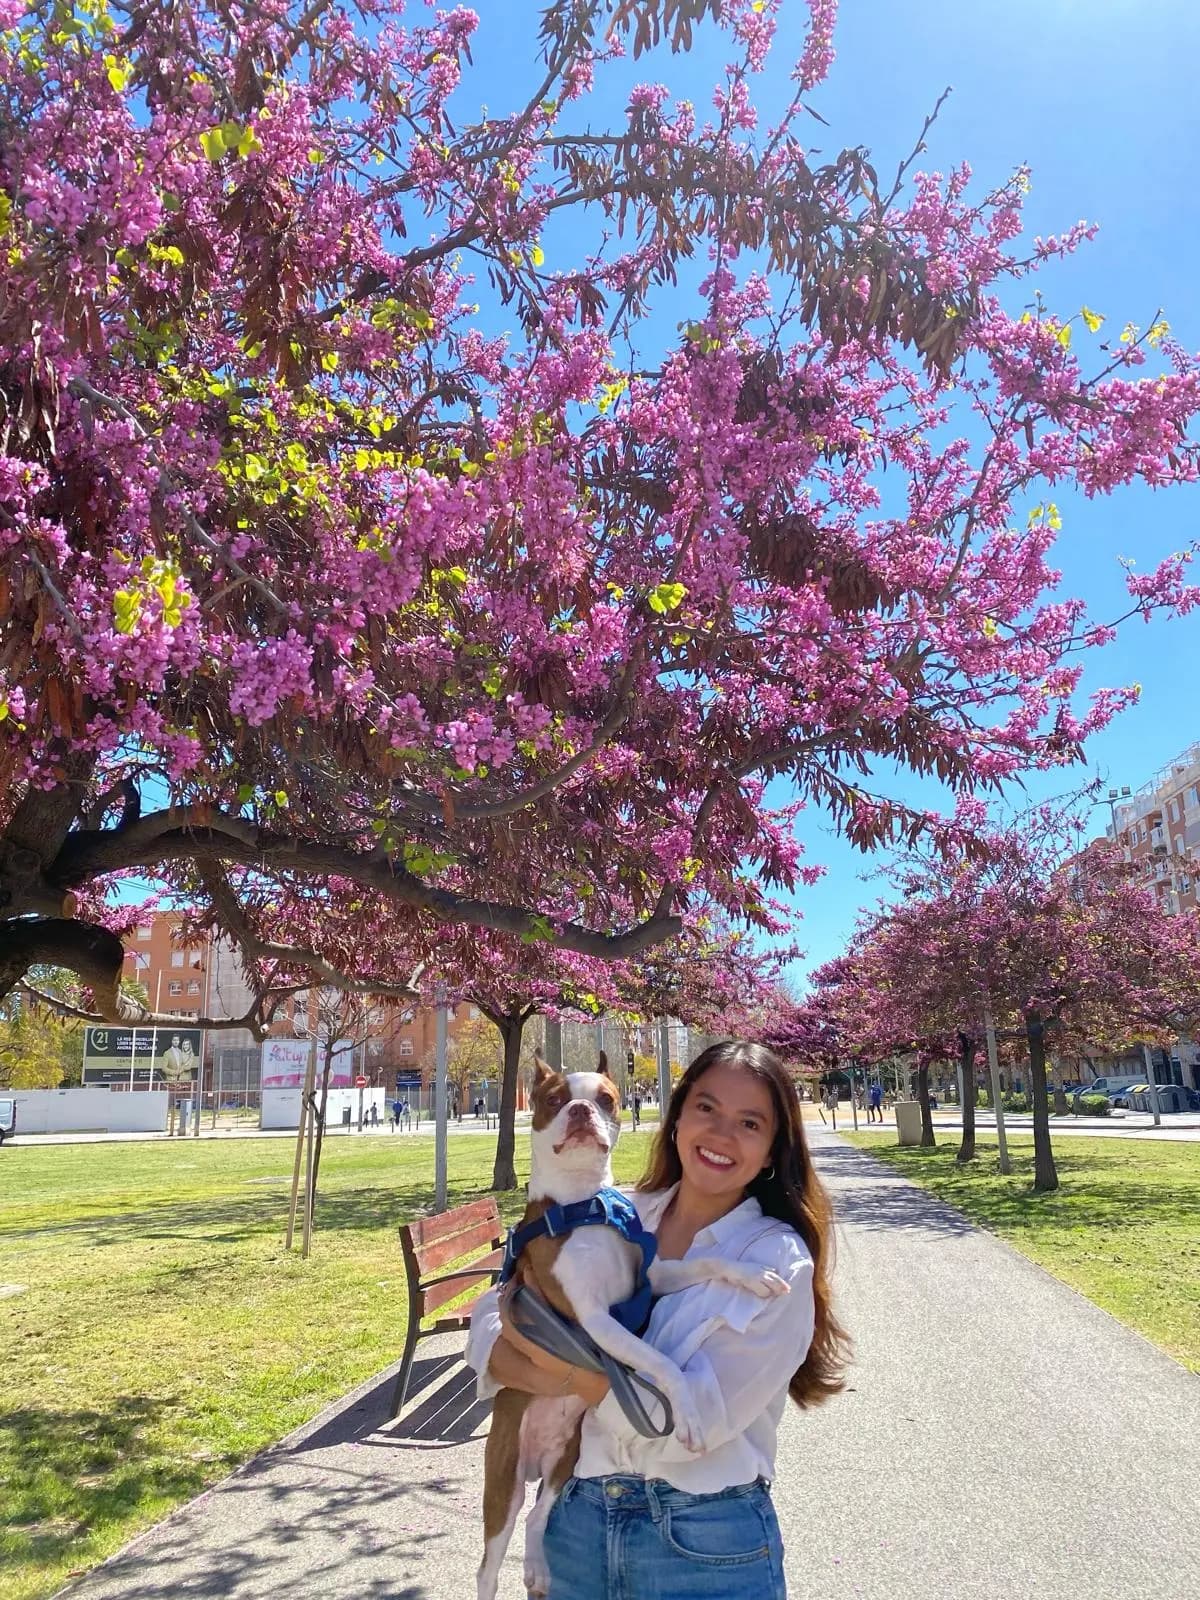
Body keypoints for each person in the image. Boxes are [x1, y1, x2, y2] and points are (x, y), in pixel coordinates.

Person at [466, 1040, 848, 1600]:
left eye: (749, 1122)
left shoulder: (774, 1261)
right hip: (575, 1526)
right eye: (706, 1109)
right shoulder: (619, 1210)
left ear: (771, 1151)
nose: (720, 1134)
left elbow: (686, 1428)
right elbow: (495, 1302)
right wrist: (497, 1349)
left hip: (704, 1546)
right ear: (675, 1120)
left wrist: (559, 1375)